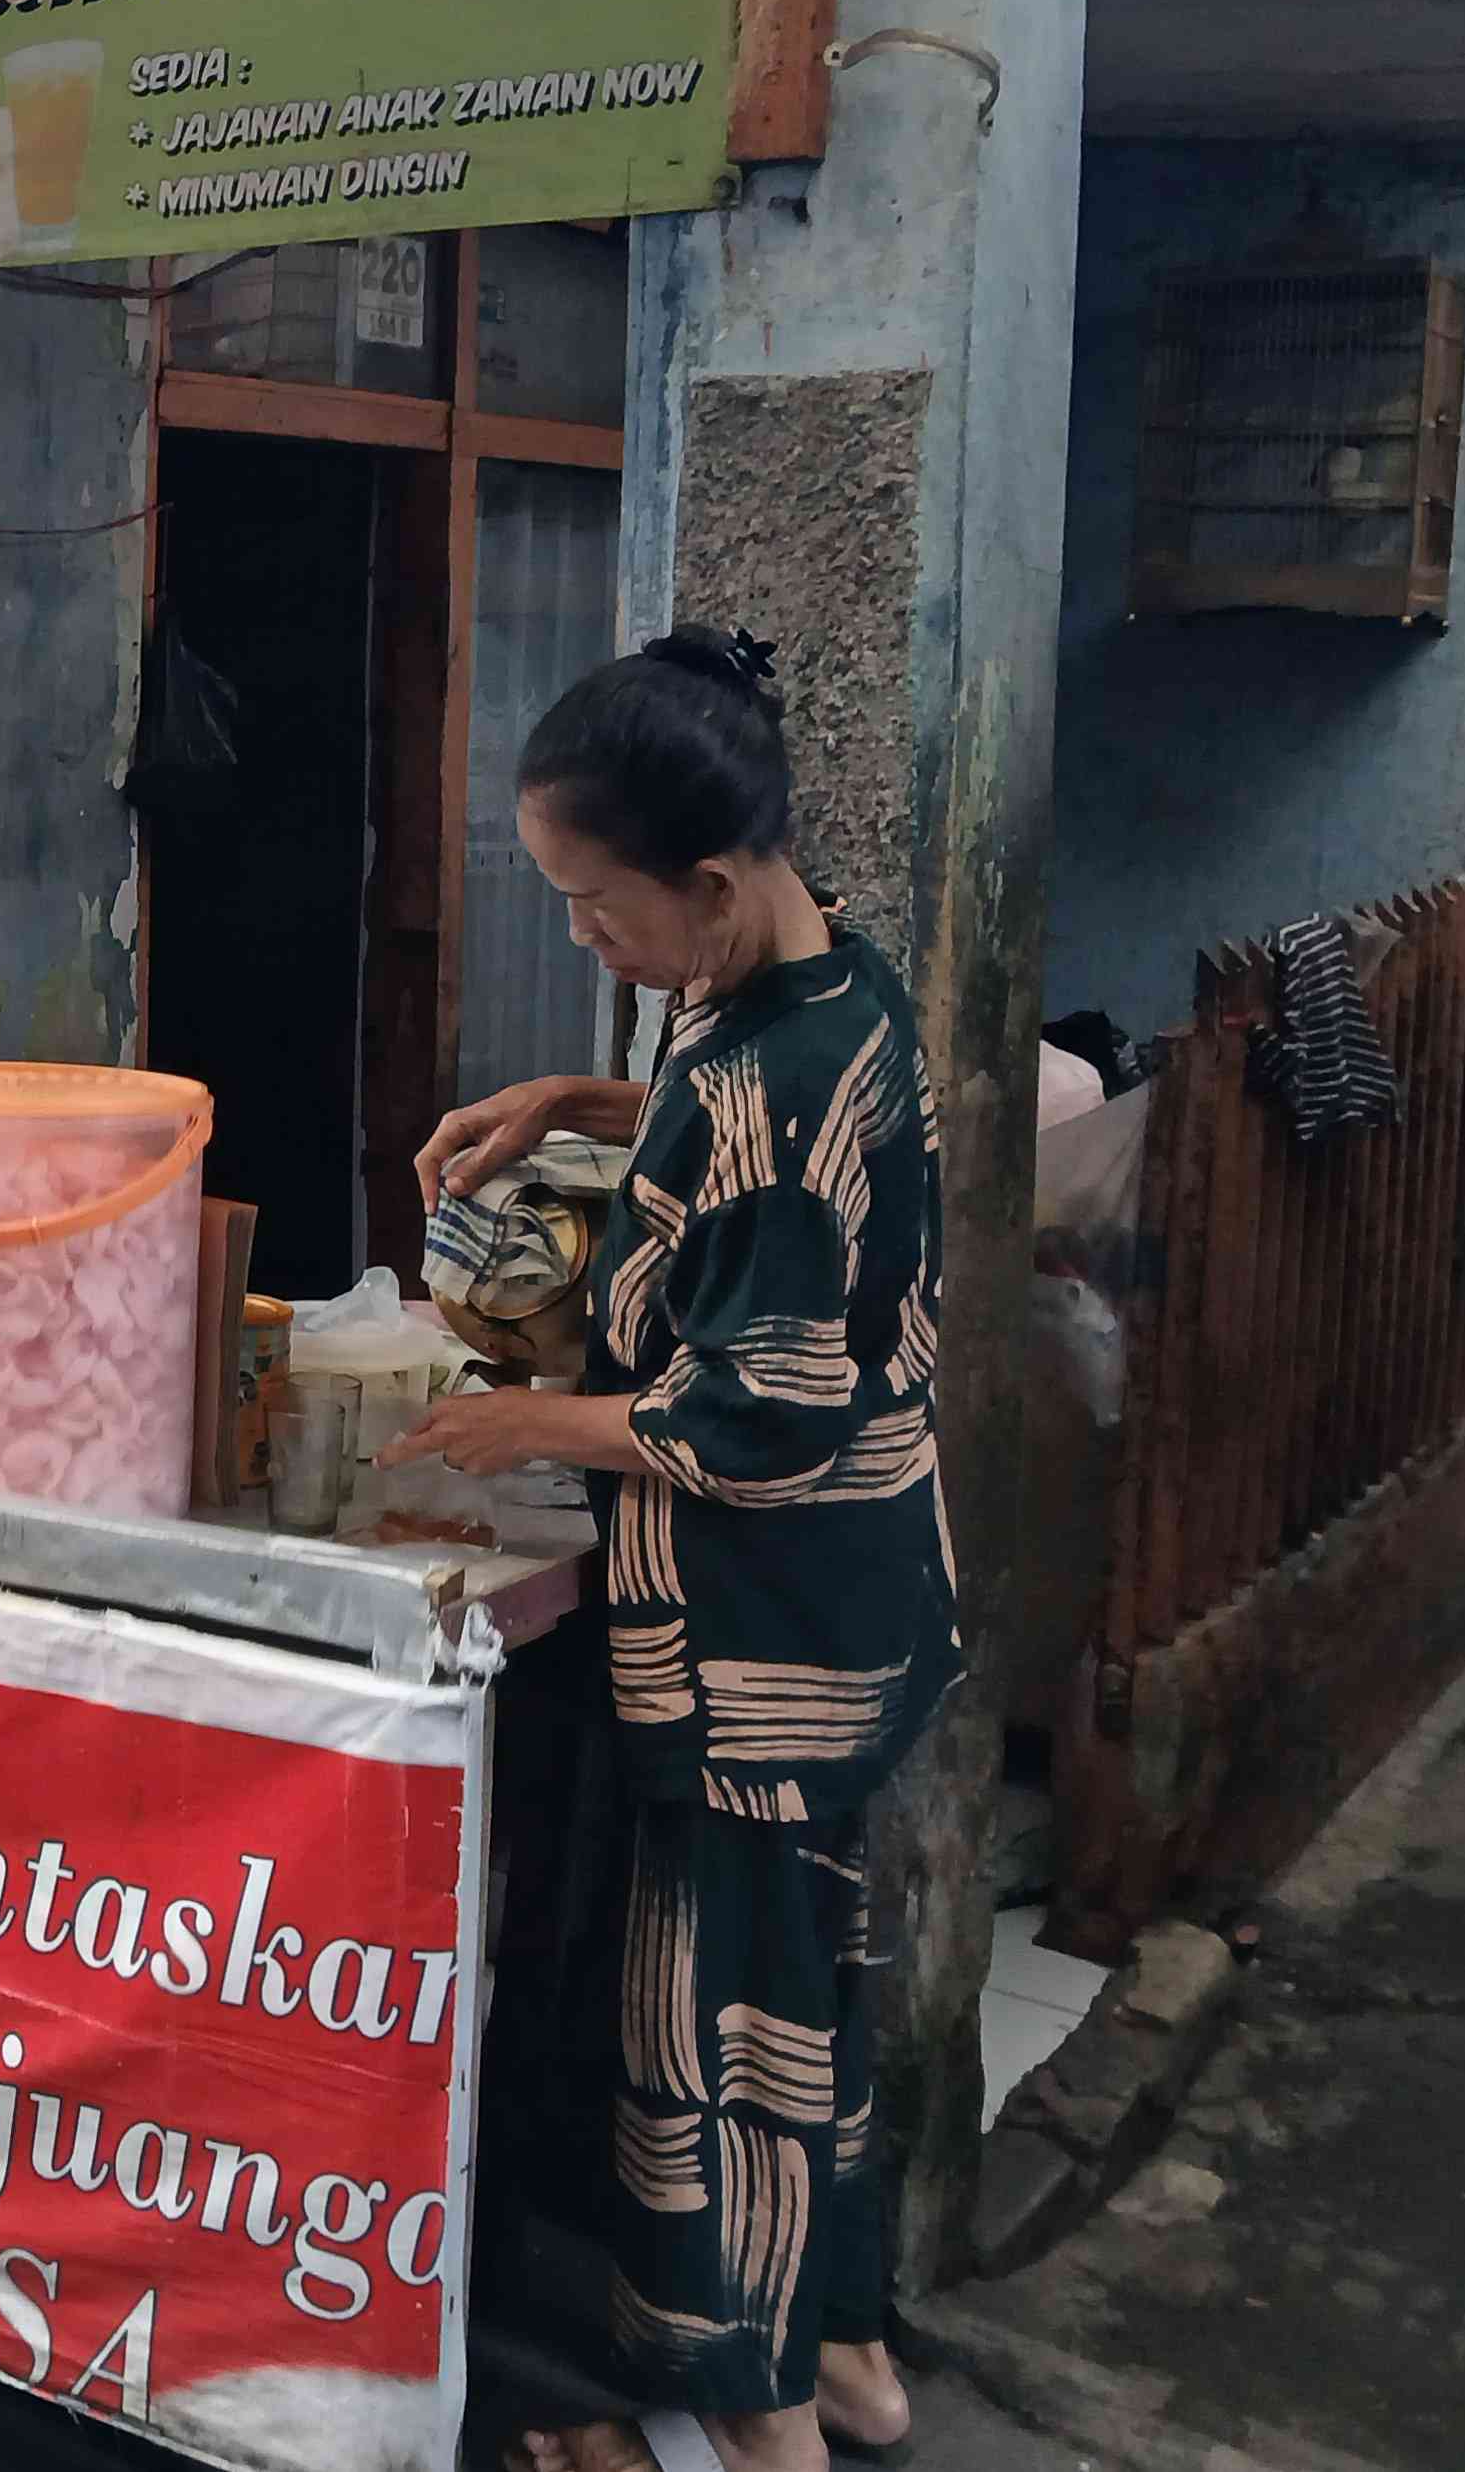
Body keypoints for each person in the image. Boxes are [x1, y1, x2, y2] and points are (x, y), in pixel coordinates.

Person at [389, 626, 959, 2472]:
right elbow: (728, 1140)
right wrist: (575, 1102)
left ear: (708, 885)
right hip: (857, 1614)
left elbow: (754, 1415)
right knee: (807, 1995)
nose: (584, 941)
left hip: (753, 1654)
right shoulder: (820, 985)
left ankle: (764, 2424)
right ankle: (854, 2362)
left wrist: (512, 1424)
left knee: (715, 2053)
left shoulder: (766, 1080)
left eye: (593, 906)